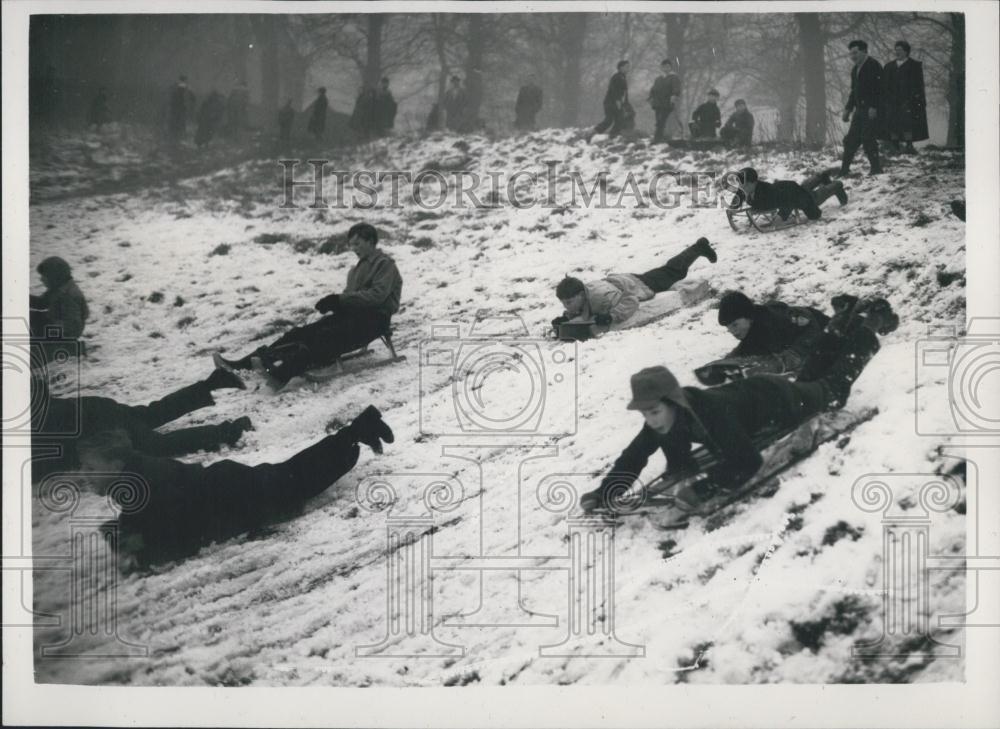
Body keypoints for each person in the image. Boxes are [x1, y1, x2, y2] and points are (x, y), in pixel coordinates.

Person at [579, 297, 899, 512]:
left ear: (673, 402)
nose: (651, 420)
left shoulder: (710, 413)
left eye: (653, 411)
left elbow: (746, 462)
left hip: (778, 401)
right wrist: (606, 492)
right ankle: (841, 320)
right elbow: (634, 455)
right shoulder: (661, 417)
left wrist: (704, 489)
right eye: (646, 413)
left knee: (831, 390)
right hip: (756, 394)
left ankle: (869, 326)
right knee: (813, 371)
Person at [77, 405, 395, 569]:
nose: (85, 474)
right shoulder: (133, 480)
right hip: (226, 486)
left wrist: (145, 553)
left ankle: (358, 430)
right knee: (297, 472)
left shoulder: (140, 482)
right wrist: (127, 531)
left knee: (303, 478)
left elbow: (184, 535)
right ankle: (358, 430)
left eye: (92, 467)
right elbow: (151, 515)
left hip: (238, 495)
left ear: (116, 465)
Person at [212, 223, 403, 389]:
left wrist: (340, 300)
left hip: (375, 319)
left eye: (358, 244)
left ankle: (281, 375)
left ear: (371, 242)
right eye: (351, 244)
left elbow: (377, 296)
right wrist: (335, 304)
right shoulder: (356, 269)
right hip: (354, 317)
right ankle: (246, 365)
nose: (354, 248)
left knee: (323, 337)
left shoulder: (385, 265)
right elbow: (351, 297)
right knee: (299, 333)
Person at [30, 367, 249, 481]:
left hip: (97, 423)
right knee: (149, 415)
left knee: (156, 447)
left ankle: (231, 431)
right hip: (93, 410)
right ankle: (213, 382)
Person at [551, 238, 716, 340]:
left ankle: (698, 248)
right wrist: (566, 319)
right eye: (564, 303)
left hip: (640, 285)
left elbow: (631, 300)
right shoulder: (583, 296)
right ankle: (698, 248)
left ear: (580, 295)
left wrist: (610, 316)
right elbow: (583, 310)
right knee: (668, 270)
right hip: (624, 280)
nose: (567, 306)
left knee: (673, 272)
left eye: (569, 302)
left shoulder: (603, 297)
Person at [698, 291, 830, 382]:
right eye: (728, 328)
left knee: (785, 363)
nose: (732, 331)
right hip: (792, 342)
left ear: (748, 317)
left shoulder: (778, 319)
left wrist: (779, 364)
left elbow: (810, 330)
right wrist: (722, 365)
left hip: (823, 334)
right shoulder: (753, 328)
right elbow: (744, 349)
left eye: (735, 325)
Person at [730, 167, 847, 221]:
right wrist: (733, 207)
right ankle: (821, 177)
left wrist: (783, 216)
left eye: (744, 185)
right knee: (805, 187)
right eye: (740, 185)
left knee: (815, 196)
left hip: (795, 195)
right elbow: (739, 195)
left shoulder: (767, 193)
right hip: (788, 188)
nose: (741, 188)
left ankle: (837, 185)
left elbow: (787, 200)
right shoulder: (746, 189)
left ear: (754, 183)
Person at [840, 40, 883, 176]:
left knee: (867, 138)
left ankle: (876, 169)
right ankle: (844, 170)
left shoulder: (874, 66)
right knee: (851, 139)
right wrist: (848, 109)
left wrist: (874, 106)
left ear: (864, 51)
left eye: (855, 53)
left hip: (871, 110)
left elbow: (880, 89)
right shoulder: (855, 69)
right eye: (851, 54)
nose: (853, 56)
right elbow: (854, 91)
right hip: (859, 110)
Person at [881, 40, 928, 154]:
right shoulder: (889, 66)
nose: (897, 53)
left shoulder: (914, 66)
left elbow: (919, 84)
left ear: (906, 51)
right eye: (896, 50)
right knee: (892, 123)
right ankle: (895, 146)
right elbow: (884, 85)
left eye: (900, 50)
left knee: (907, 123)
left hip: (908, 100)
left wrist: (919, 99)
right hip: (892, 100)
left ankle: (909, 146)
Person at [29, 256, 89, 345]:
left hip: (66, 334)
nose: (41, 279)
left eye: (44, 276)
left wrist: (47, 325)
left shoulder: (68, 295)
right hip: (58, 326)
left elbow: (72, 324)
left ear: (55, 277)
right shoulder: (58, 288)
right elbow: (42, 303)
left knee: (34, 323)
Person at [590, 60, 632, 139]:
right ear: (620, 67)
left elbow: (624, 93)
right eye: (627, 67)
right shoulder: (616, 77)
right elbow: (614, 90)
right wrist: (618, 101)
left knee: (619, 120)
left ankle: (612, 136)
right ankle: (592, 133)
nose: (628, 68)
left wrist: (626, 103)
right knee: (609, 120)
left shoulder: (622, 77)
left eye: (629, 67)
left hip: (616, 103)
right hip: (611, 103)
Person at [648, 59, 682, 143]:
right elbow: (653, 89)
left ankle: (657, 138)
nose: (665, 68)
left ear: (670, 67)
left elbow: (676, 88)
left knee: (661, 120)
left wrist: (674, 96)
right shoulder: (658, 78)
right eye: (664, 66)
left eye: (667, 66)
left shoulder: (674, 77)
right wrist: (650, 97)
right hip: (657, 103)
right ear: (661, 67)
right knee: (658, 120)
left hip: (667, 103)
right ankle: (660, 136)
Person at [167, 75, 196, 142]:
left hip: (176, 107)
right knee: (180, 122)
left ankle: (174, 136)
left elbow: (171, 96)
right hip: (181, 107)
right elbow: (193, 98)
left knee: (175, 121)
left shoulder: (175, 87)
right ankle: (178, 136)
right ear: (185, 80)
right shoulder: (187, 88)